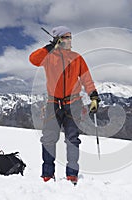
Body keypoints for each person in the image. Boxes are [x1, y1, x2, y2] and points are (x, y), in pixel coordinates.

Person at [29, 26, 100, 184]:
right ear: (58, 39)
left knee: (72, 140)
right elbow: (33, 59)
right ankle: (47, 175)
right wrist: (49, 47)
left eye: (70, 37)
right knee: (48, 139)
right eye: (66, 37)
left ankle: (72, 175)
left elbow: (87, 79)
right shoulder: (48, 57)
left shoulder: (77, 57)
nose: (69, 40)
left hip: (73, 103)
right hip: (53, 103)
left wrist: (93, 96)